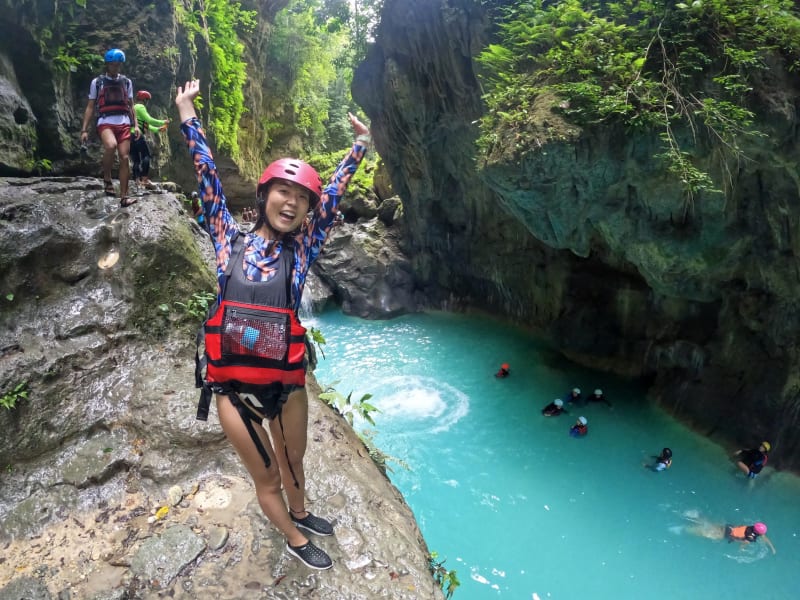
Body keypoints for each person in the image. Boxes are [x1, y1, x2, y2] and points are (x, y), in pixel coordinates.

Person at [177, 79, 370, 570]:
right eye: (282, 192)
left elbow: (333, 197)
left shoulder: (302, 250)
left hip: (286, 385)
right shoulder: (227, 241)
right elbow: (207, 179)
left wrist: (359, 148)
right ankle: (294, 539)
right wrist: (186, 114)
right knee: (266, 479)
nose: (291, 203)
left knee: (294, 461)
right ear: (264, 196)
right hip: (233, 391)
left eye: (300, 199)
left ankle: (301, 511)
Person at [80, 48, 139, 207]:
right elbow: (91, 107)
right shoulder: (97, 82)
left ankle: (124, 196)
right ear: (107, 65)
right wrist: (84, 130)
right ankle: (107, 177)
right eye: (113, 65)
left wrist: (136, 125)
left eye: (118, 65)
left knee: (125, 157)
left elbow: (131, 105)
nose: (115, 68)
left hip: (124, 122)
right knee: (111, 146)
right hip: (105, 121)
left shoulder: (126, 82)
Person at [131, 90, 169, 189]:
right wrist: (163, 121)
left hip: (130, 135)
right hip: (138, 134)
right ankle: (144, 179)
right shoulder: (140, 107)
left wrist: (158, 129)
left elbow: (146, 125)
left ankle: (136, 180)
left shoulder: (134, 107)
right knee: (146, 156)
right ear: (145, 100)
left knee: (136, 159)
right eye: (147, 100)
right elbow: (149, 120)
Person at [687, 519, 776, 554]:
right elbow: (744, 543)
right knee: (704, 533)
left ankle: (693, 519)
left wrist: (772, 548)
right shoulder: (751, 537)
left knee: (710, 525)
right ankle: (684, 529)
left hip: (728, 526)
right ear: (759, 533)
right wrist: (741, 550)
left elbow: (764, 537)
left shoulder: (751, 527)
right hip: (726, 534)